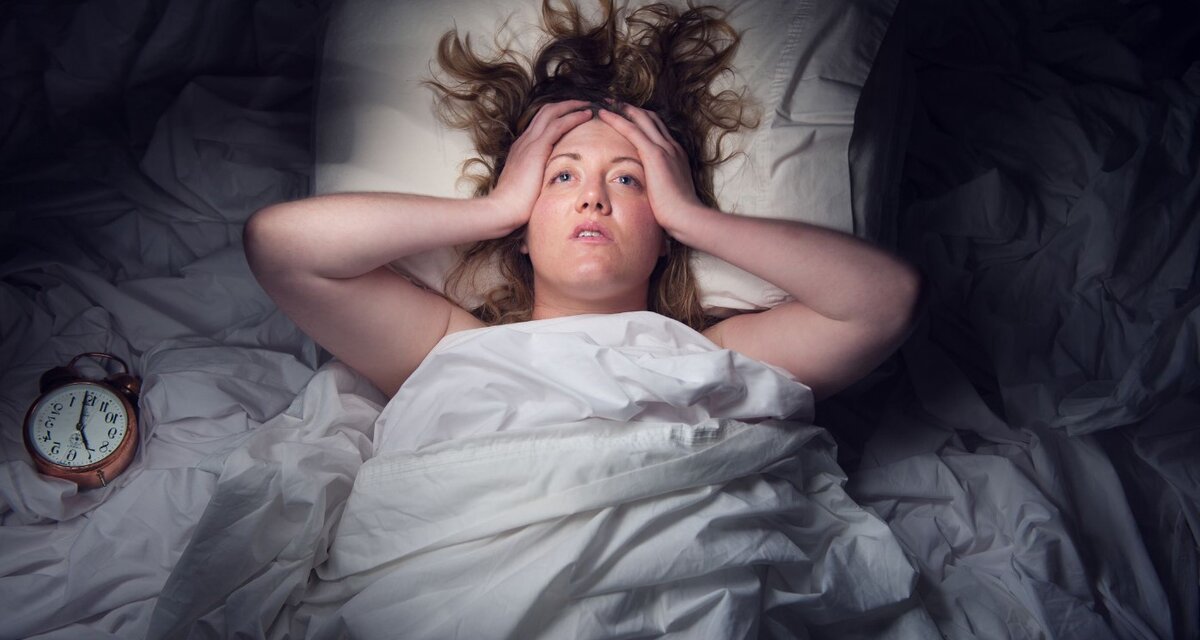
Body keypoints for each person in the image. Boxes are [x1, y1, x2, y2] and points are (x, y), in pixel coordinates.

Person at [243, 0, 920, 402]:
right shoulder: (450, 348)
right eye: (562, 179)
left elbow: (885, 300)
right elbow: (281, 246)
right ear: (524, 229)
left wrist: (694, 217)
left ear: (664, 235)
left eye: (628, 181)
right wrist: (494, 209)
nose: (593, 197)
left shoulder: (716, 357)